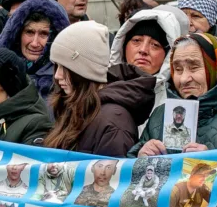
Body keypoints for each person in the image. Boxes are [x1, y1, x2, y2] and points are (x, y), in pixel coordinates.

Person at [44, 21, 155, 156]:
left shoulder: (113, 123)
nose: (57, 75)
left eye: (65, 68)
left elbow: (110, 175)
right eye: (57, 66)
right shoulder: (75, 106)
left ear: (85, 71)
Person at [0, 0, 69, 100]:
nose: (34, 43)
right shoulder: (1, 76)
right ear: (17, 34)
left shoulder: (66, 82)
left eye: (44, 34)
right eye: (29, 32)